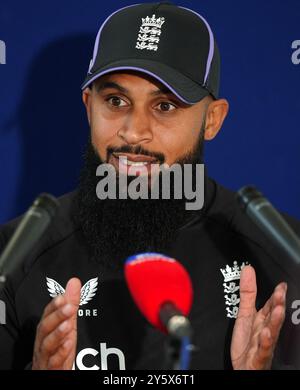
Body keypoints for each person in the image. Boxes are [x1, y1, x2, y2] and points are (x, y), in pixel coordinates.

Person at [0, 2, 299, 370]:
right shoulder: (12, 257)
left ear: (212, 119)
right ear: (88, 105)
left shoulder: (285, 257)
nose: (133, 131)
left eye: (164, 106)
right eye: (115, 100)